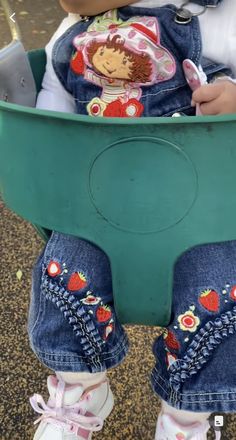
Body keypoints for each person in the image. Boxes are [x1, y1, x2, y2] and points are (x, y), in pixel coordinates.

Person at [29, 1, 236, 439]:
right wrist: (48, 141)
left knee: (219, 298)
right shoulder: (71, 37)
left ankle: (188, 418)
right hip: (98, 204)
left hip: (203, 208)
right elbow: (51, 117)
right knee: (62, 274)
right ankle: (80, 389)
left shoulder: (219, 18)